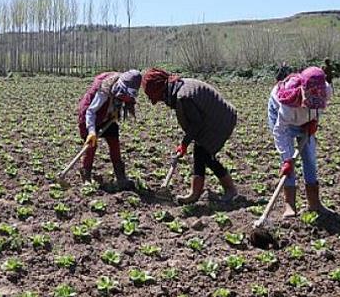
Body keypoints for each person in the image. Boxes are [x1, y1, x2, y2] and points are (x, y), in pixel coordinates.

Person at [142, 68, 238, 203]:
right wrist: (185, 143)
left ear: (160, 89)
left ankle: (229, 190)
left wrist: (184, 144)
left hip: (220, 120)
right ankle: (195, 193)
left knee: (205, 155)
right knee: (201, 153)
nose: (158, 101)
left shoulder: (183, 97)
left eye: (156, 97)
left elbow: (196, 124)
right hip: (210, 119)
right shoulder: (177, 87)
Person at [267, 66, 332, 218]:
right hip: (283, 120)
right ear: (303, 91)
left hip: (305, 120)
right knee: (288, 161)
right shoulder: (287, 103)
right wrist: (287, 159)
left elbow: (319, 110)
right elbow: (280, 131)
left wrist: (313, 121)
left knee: (309, 158)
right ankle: (290, 205)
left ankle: (314, 203)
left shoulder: (326, 90)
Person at [77, 70, 142, 189]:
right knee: (91, 146)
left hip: (108, 117)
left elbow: (123, 100)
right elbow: (91, 112)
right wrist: (91, 131)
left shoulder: (127, 91)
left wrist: (115, 111)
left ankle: (121, 177)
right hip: (92, 117)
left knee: (114, 142)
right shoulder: (105, 89)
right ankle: (86, 176)